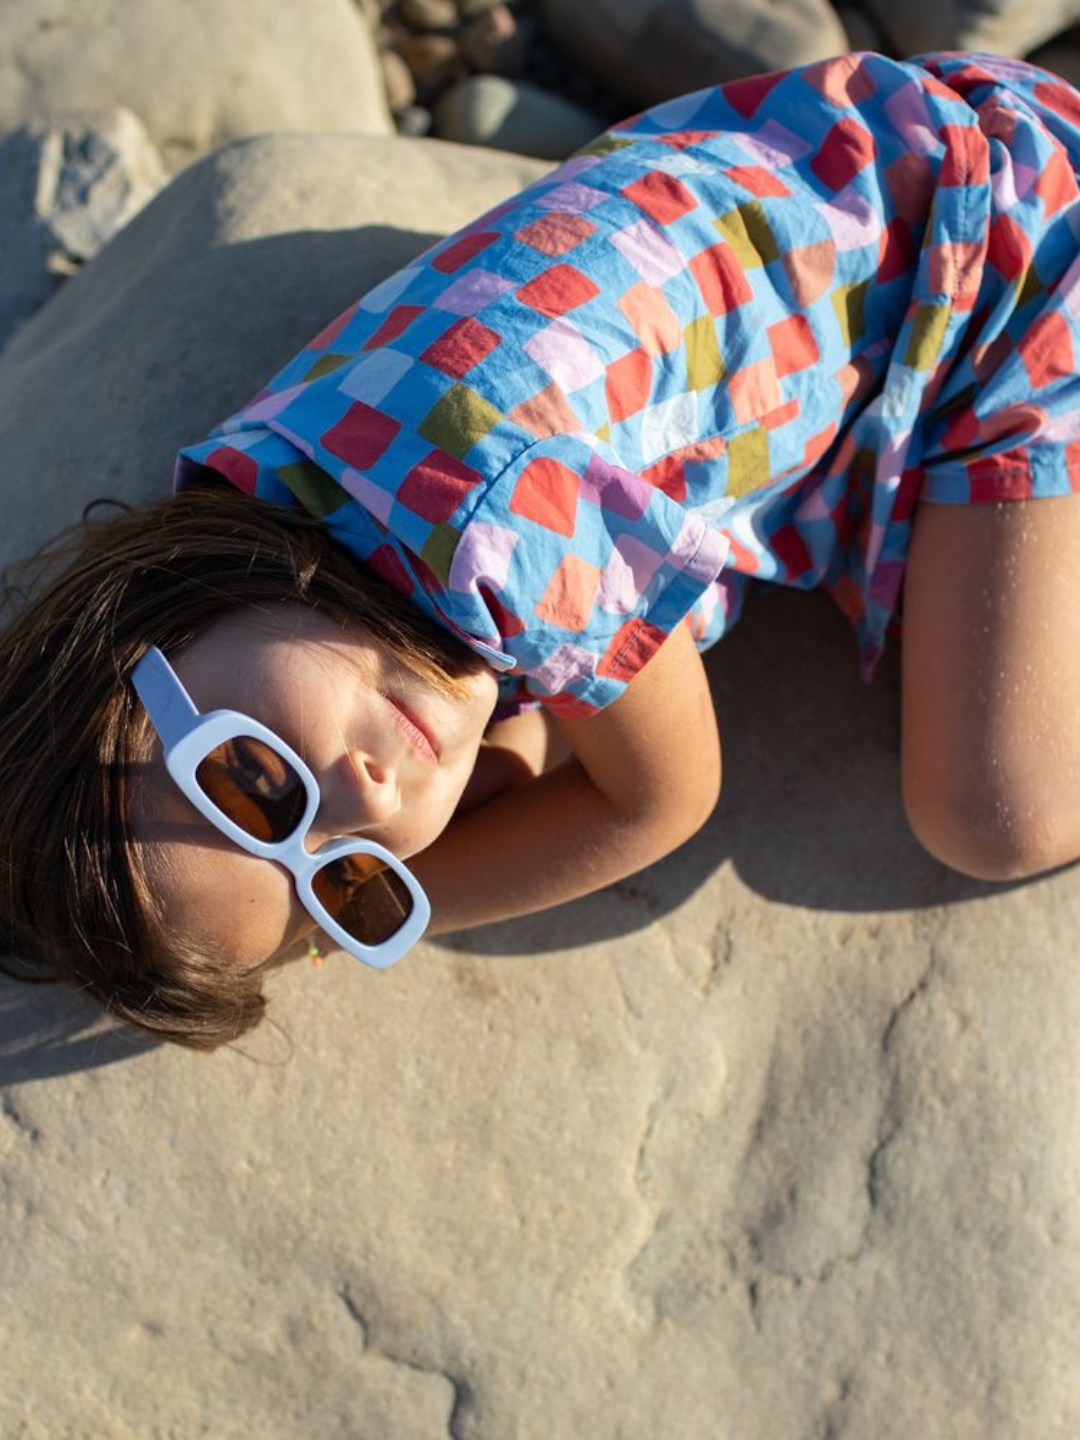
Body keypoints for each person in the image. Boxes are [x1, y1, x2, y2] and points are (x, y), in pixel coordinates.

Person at [3, 49, 1080, 1049]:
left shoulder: (501, 537)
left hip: (1000, 256)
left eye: (252, 783)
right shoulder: (279, 482)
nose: (370, 797)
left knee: (992, 814)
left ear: (148, 625)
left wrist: (344, 927)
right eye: (351, 875)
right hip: (870, 164)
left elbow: (656, 800)